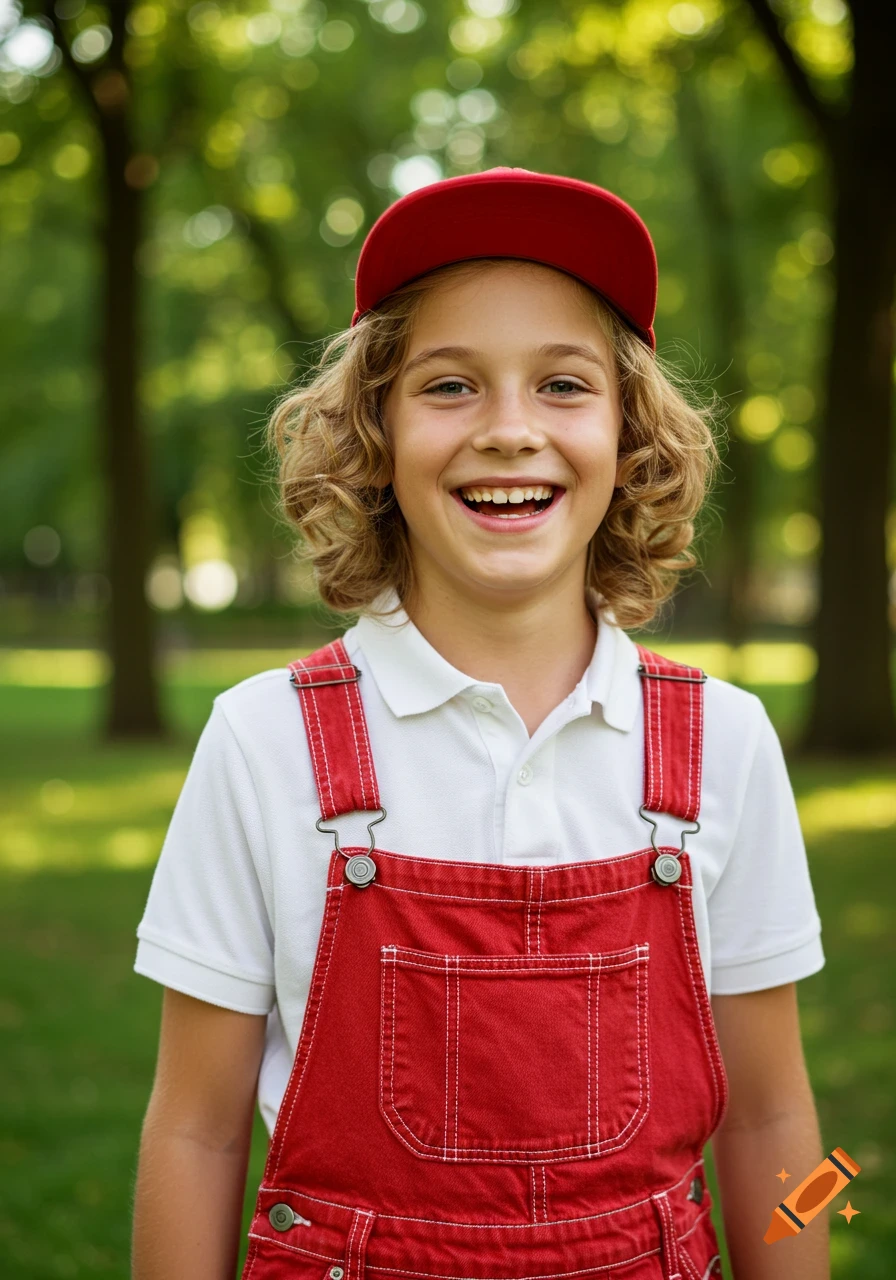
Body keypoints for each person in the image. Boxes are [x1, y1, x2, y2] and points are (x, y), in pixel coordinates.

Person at [130, 168, 828, 1280]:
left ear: (629, 433)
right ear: (373, 432)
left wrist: (796, 1240)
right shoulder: (262, 741)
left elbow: (776, 1129)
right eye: (448, 386)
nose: (509, 430)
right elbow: (195, 1129)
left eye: (562, 384)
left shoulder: (724, 746)